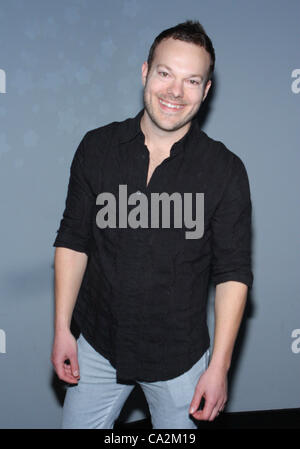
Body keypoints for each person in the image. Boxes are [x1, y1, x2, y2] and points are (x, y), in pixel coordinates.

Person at [51, 20, 253, 429]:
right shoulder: (97, 147)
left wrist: (220, 367)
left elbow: (232, 273)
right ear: (146, 72)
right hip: (98, 346)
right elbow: (74, 239)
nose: (176, 92)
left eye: (191, 80)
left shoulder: (225, 170)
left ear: (206, 90)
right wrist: (61, 328)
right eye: (165, 73)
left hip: (179, 361)